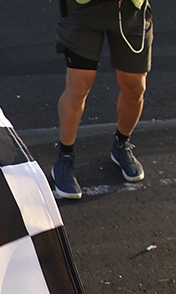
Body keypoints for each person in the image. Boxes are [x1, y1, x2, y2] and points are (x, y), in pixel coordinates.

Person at [52, 0, 151, 199]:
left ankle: (121, 144)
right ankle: (65, 157)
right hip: (84, 10)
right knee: (79, 86)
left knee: (135, 87)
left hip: (131, 10)